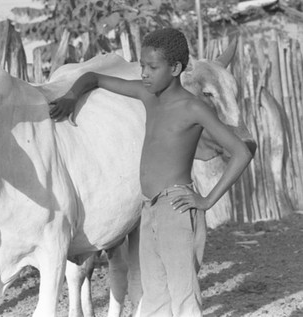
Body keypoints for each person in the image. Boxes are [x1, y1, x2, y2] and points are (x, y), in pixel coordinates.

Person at [48, 28, 254, 317]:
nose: (143, 73)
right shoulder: (148, 95)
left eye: (152, 67)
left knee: (183, 295)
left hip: (177, 208)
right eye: (142, 65)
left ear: (176, 69)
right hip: (149, 207)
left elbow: (242, 151)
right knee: (155, 294)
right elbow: (93, 78)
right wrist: (71, 95)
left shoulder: (193, 108)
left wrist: (206, 201)